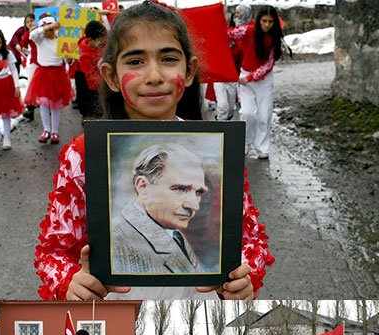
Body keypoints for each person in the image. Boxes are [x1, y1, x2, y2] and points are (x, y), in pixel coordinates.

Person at [33, 1, 274, 301]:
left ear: (189, 71)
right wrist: (70, 283)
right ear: (110, 76)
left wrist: (245, 276)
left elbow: (250, 240)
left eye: (169, 58)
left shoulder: (218, 148)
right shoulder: (84, 155)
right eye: (135, 62)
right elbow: (54, 252)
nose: (154, 75)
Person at [112, 144, 216, 275]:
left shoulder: (174, 234)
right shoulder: (117, 243)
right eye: (180, 189)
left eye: (199, 193)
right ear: (143, 186)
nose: (194, 206)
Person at [230, 5, 285, 160]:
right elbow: (229, 34)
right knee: (247, 113)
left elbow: (269, 64)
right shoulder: (248, 31)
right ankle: (246, 144)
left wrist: (251, 78)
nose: (267, 25)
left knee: (264, 115)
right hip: (245, 76)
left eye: (270, 22)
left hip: (263, 81)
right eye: (264, 21)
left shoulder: (274, 39)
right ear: (258, 20)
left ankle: (262, 147)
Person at [25, 15, 70, 145]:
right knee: (44, 103)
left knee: (55, 105)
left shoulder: (60, 40)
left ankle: (55, 131)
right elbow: (33, 34)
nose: (49, 32)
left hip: (57, 74)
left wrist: (68, 59)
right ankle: (46, 130)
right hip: (43, 73)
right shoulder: (40, 40)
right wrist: (48, 27)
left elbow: (65, 58)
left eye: (51, 29)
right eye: (47, 29)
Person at [74, 22, 106, 119]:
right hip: (94, 90)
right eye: (99, 40)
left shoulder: (100, 47)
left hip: (104, 86)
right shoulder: (84, 56)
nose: (102, 41)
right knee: (97, 115)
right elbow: (91, 77)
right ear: (90, 40)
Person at [10, 14, 37, 122]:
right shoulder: (25, 32)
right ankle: (30, 109)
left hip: (45, 63)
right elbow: (20, 42)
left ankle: (48, 107)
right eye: (27, 22)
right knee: (31, 85)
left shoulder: (43, 32)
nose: (30, 23)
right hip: (33, 62)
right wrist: (19, 46)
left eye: (32, 21)